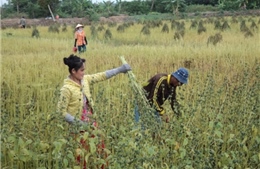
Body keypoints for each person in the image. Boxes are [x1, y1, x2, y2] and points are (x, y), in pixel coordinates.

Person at [57, 54, 131, 168]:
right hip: (77, 126)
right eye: (81, 70)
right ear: (73, 71)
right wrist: (78, 123)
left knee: (101, 150)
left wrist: (120, 69)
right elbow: (61, 112)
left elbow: (101, 75)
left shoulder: (84, 80)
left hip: (91, 121)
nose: (84, 72)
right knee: (80, 155)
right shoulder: (66, 89)